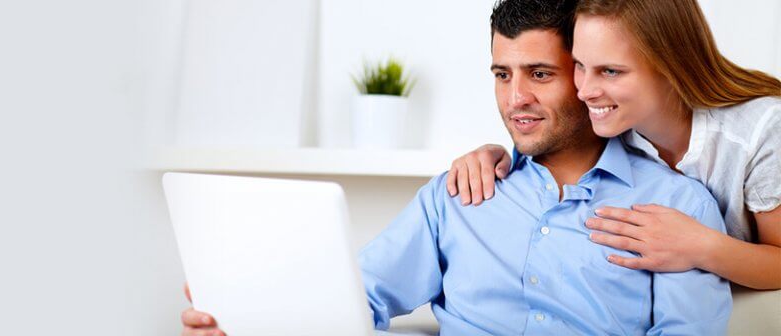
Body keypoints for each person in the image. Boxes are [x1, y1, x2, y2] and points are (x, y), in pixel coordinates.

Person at [179, 1, 732, 335]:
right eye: (501, 74)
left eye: (540, 74)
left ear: (586, 76)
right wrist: (246, 311)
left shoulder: (679, 207)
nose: (515, 99)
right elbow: (355, 300)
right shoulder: (459, 194)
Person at [446, 0, 781, 290]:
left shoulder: (759, 132)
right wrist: (494, 155)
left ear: (670, 67)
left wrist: (702, 247)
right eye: (580, 66)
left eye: (610, 71)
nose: (585, 91)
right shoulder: (613, 124)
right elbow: (550, 137)